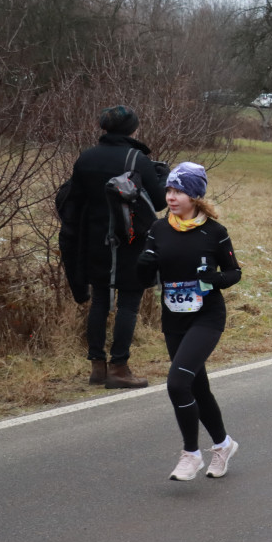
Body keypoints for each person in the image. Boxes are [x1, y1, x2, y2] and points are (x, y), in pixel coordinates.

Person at [135, 163, 242, 480]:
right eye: (168, 190)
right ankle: (223, 445)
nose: (171, 196)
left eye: (178, 190)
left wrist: (216, 279)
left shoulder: (214, 232)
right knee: (198, 386)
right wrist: (143, 265)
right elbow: (143, 279)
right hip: (174, 319)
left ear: (195, 195)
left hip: (207, 317)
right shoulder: (158, 229)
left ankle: (191, 454)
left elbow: (235, 273)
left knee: (177, 383)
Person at [62, 105, 167, 389]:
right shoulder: (137, 159)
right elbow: (159, 202)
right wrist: (161, 176)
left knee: (99, 301)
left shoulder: (87, 157)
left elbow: (76, 199)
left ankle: (97, 367)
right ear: (132, 129)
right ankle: (119, 368)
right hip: (131, 241)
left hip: (95, 241)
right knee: (129, 304)